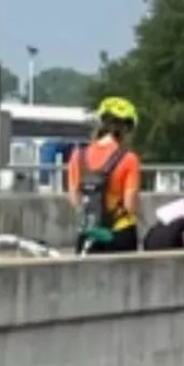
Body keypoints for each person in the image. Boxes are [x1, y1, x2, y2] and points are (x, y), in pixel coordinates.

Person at [65, 97, 144, 253]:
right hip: (119, 232)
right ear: (126, 129)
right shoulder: (129, 159)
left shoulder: (78, 155)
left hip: (89, 232)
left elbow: (74, 197)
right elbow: (130, 205)